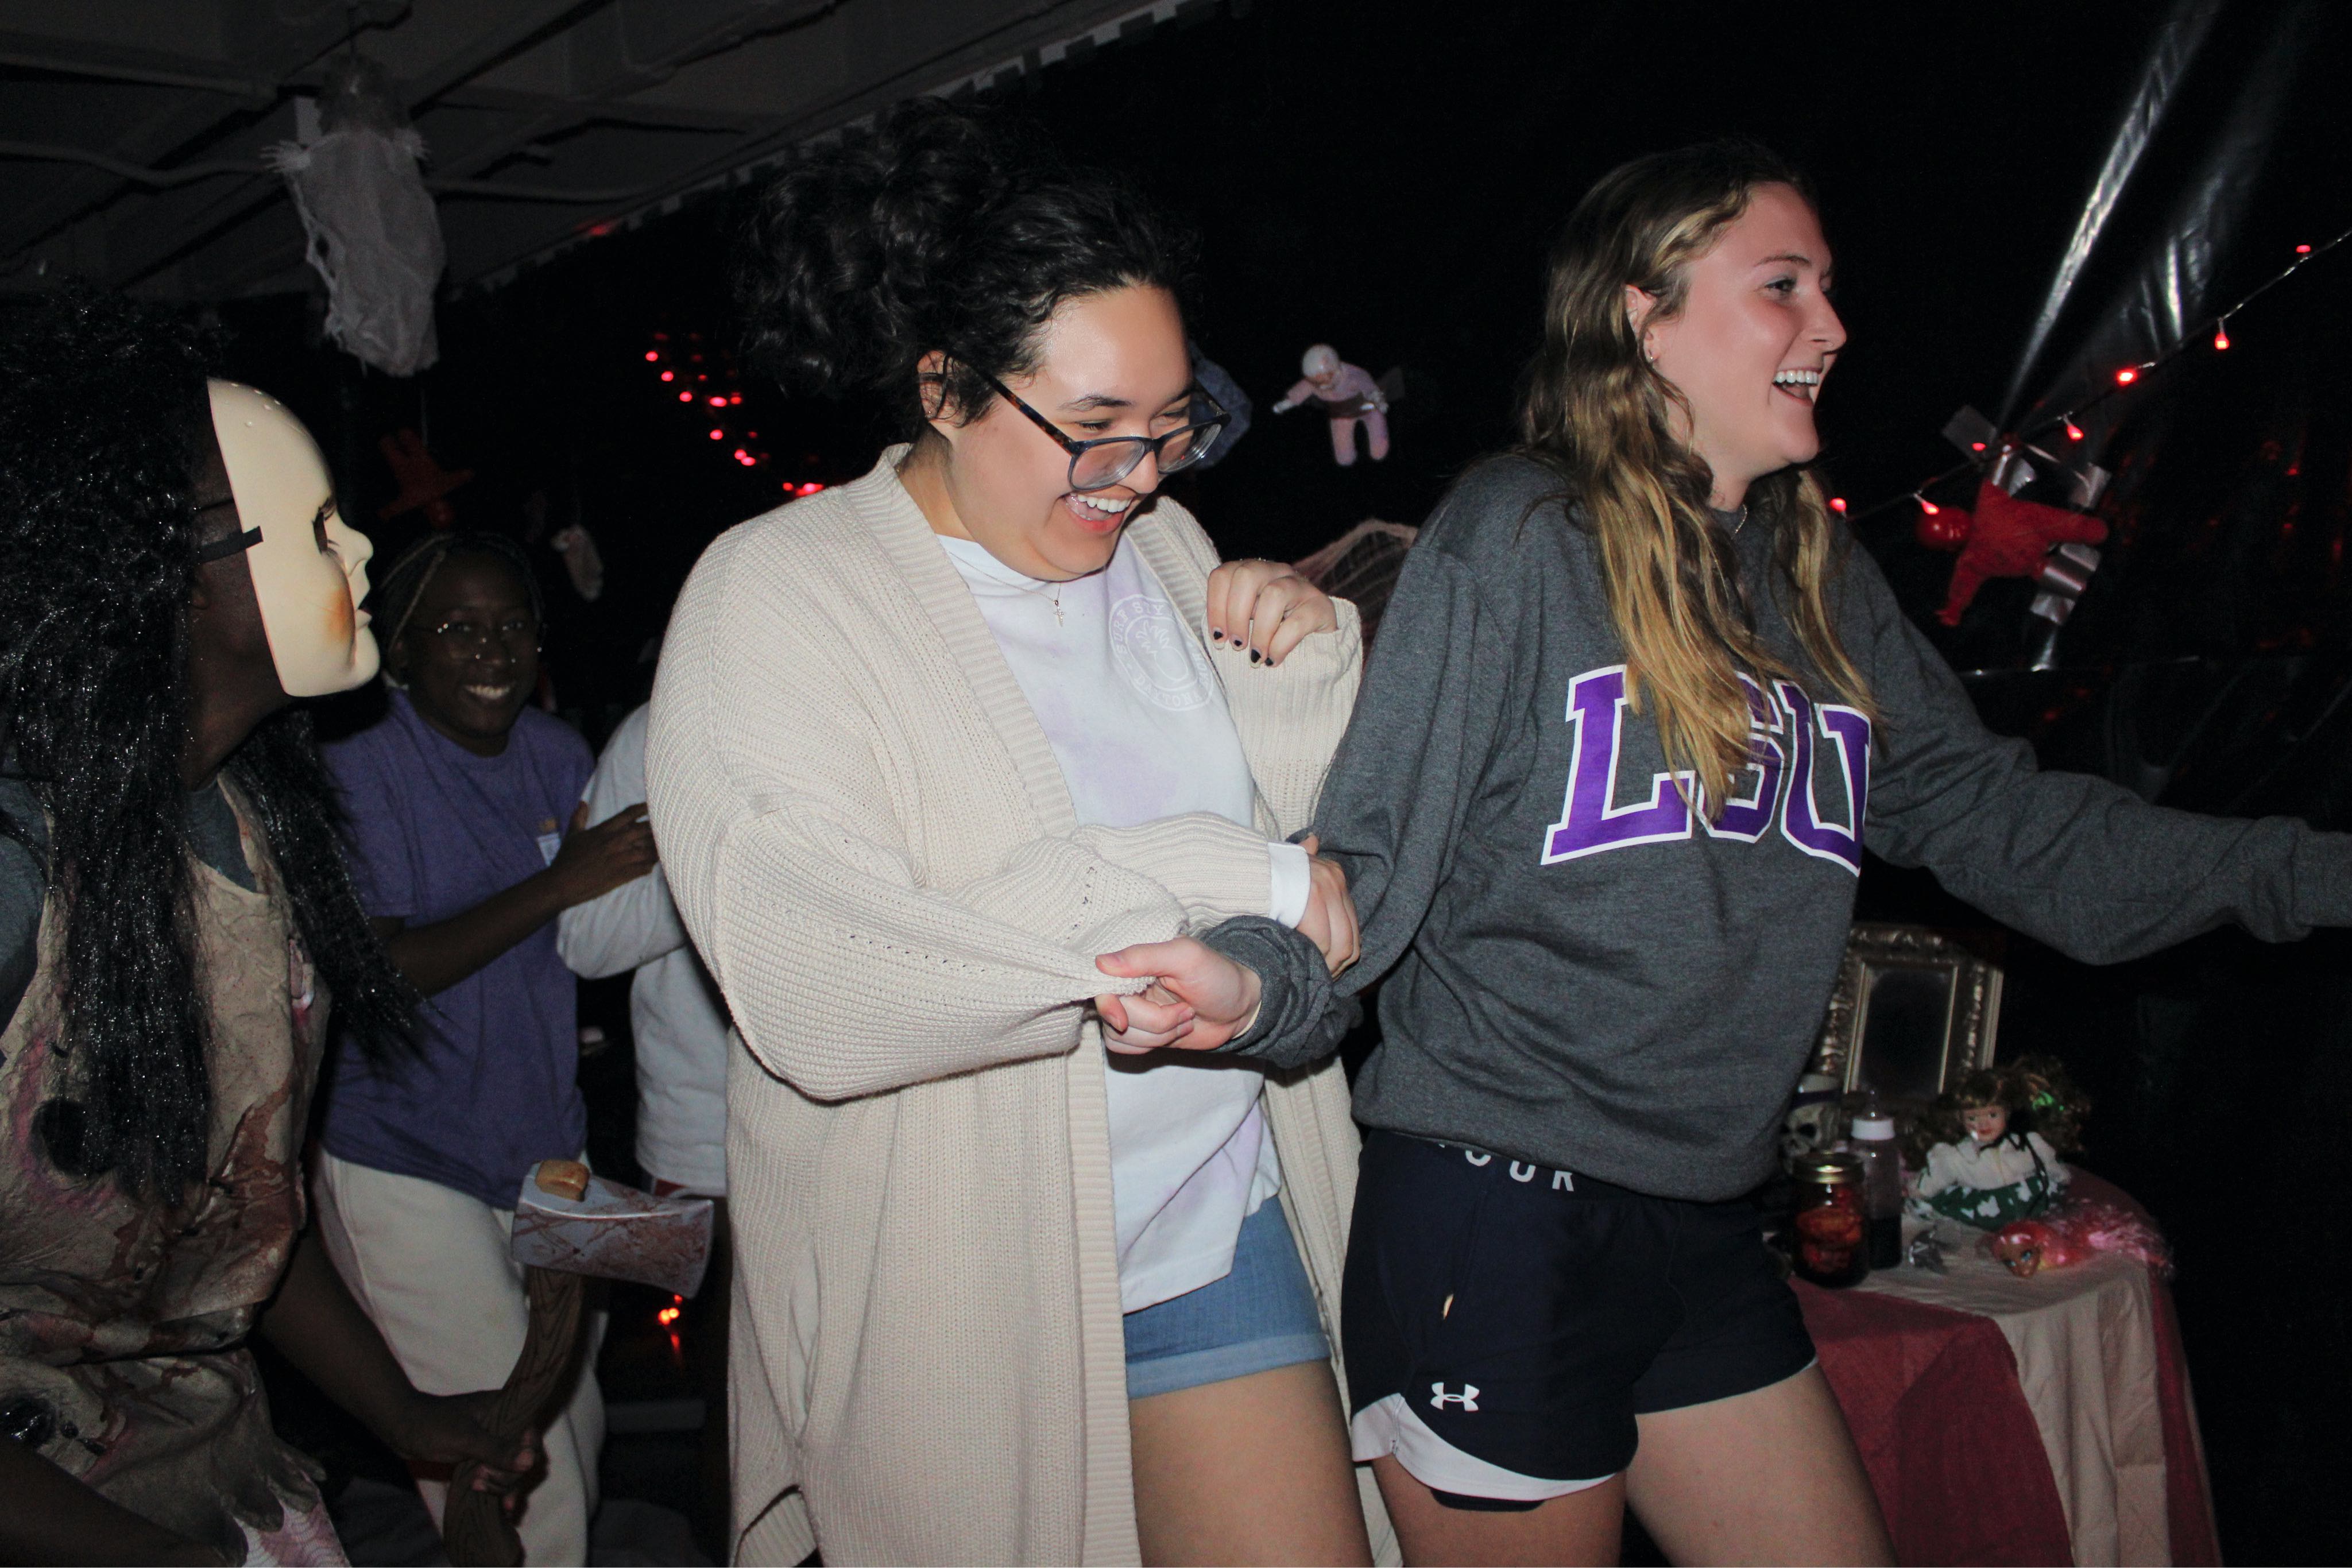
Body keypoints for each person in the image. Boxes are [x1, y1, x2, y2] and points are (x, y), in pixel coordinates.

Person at [1102, 139, 2352, 1566]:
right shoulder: (1515, 534)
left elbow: (2012, 828)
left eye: (1826, 288)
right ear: (1646, 318)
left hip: (1704, 1220)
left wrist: (2311, 874)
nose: (1831, 327)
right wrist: (1256, 983)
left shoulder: (1817, 572)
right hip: (1495, 1210)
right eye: (1783, 286)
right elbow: (1370, 858)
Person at [646, 101, 1388, 1566]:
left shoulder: (1165, 550)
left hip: (1211, 1221)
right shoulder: (778, 594)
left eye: (1170, 429)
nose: (1138, 478)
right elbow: (817, 978)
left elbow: (1312, 890)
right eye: (1092, 431)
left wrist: (1305, 673)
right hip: (959, 1285)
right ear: (945, 389)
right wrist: (1204, 862)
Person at [0, 295, 531, 1567]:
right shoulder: (19, 865)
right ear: (156, 574)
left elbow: (239, 1219)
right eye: (307, 527)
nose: (358, 548)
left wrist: (415, 1420)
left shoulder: (263, 838)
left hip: (209, 1469)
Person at [312, 530, 657, 1564]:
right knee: (513, 1442)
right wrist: (562, 882)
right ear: (402, 650)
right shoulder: (361, 767)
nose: (492, 651)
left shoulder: (557, 755)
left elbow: (605, 925)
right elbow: (381, 974)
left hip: (547, 1145)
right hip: (402, 1156)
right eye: (457, 630)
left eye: (511, 626)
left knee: (576, 1419)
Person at [556, 701, 736, 1558]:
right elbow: (585, 939)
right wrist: (727, 865)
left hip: (867, 1123)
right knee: (735, 1401)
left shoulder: (873, 695)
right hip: (706, 1134)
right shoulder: (659, 729)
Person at [1272, 344, 1390, 466]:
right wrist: (1284, 405)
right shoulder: (1313, 381)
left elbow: (1372, 391)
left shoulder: (1354, 375)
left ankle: (1379, 446)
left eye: (1325, 380)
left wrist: (1379, 402)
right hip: (1341, 415)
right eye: (1316, 381)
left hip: (1368, 409)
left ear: (1336, 370)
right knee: (1344, 458)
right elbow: (1299, 392)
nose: (1321, 386)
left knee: (1379, 451)